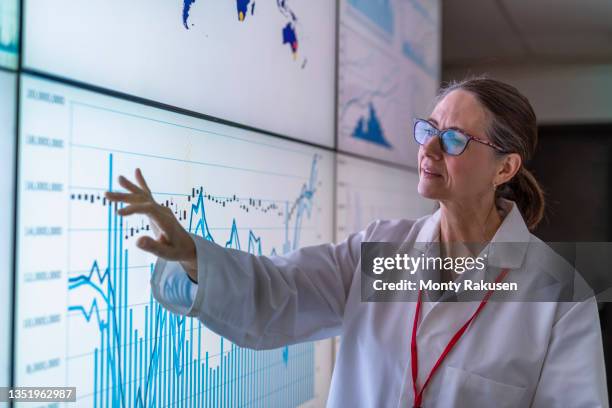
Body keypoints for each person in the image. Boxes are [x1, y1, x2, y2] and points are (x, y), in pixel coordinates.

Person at [105, 77, 609, 407]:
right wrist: (197, 258)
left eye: (454, 139)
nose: (429, 149)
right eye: (428, 130)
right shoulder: (385, 254)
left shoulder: (558, 297)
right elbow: (279, 294)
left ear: (505, 167)